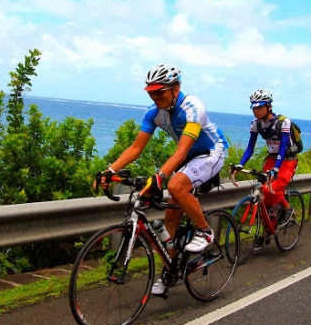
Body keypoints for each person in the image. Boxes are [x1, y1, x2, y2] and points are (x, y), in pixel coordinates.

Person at [97, 64, 229, 296]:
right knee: (170, 217)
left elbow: (181, 151)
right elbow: (136, 147)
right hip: (188, 156)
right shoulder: (153, 113)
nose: (154, 96)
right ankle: (170, 270)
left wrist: (160, 176)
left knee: (175, 185)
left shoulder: (192, 107)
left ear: (175, 88)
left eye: (160, 91)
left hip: (211, 152)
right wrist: (110, 170)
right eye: (151, 92)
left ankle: (205, 231)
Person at [234, 89, 299, 234]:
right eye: (254, 107)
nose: (256, 110)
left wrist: (276, 169)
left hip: (287, 160)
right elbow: (250, 147)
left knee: (269, 188)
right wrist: (240, 164)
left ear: (269, 106)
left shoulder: (283, 122)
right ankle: (265, 231)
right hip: (271, 159)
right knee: (262, 196)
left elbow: (282, 147)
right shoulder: (256, 124)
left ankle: (287, 208)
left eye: (260, 107)